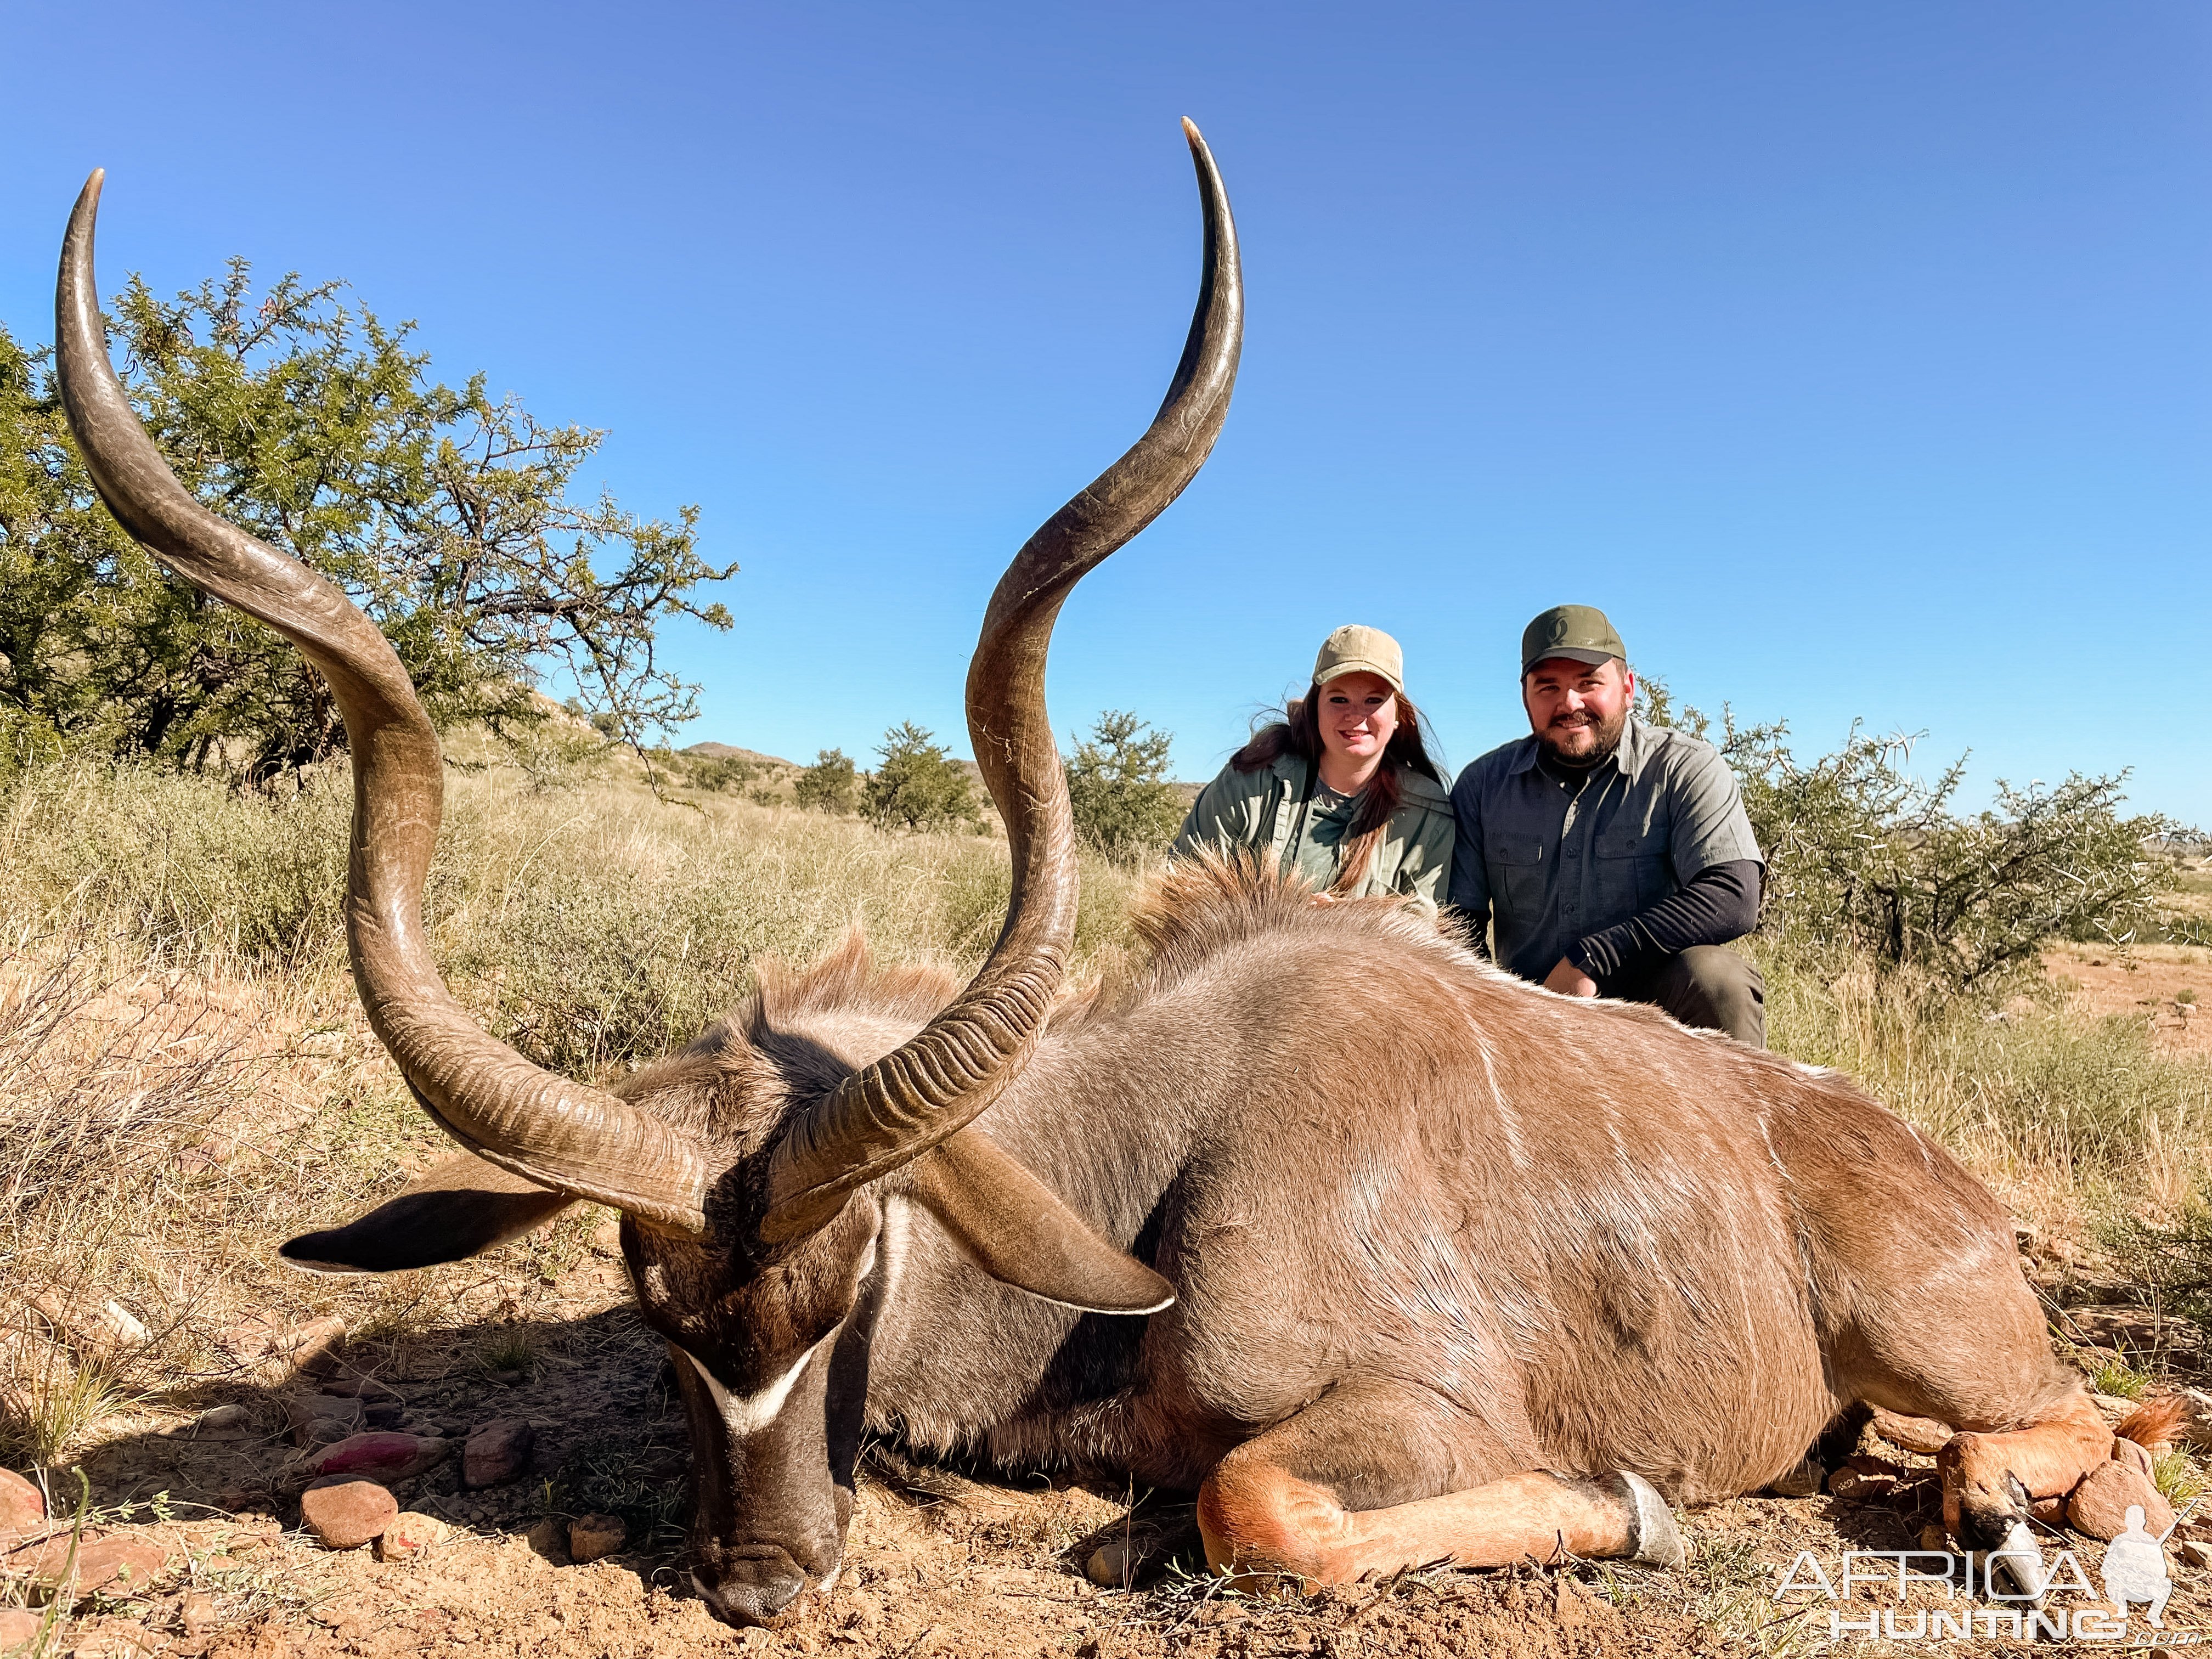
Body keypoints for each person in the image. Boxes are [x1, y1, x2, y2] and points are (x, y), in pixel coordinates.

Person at [1448, 605, 1767, 1045]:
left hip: (1652, 1009)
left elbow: (1734, 893)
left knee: (1719, 980)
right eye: (1549, 687)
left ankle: (1737, 1115)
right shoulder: (1482, 785)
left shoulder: (1684, 767)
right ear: (1525, 697)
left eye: (1588, 683)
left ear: (1628, 687)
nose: (1569, 703)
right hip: (1529, 1012)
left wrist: (1595, 957)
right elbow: (1461, 922)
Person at [1172, 624, 1455, 911]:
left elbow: (1422, 929)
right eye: (1339, 699)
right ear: (1315, 708)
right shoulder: (1250, 780)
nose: (1356, 715)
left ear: (1398, 716)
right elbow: (1185, 890)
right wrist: (1290, 914)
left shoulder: (1429, 809)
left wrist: (1343, 923)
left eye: (1374, 700)